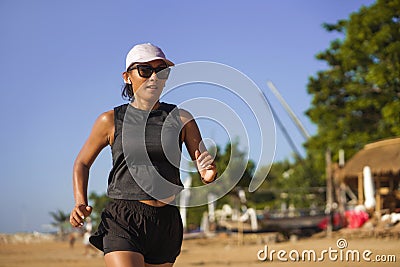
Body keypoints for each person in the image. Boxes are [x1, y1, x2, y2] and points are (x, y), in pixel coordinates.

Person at [69, 43, 218, 267]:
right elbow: (82, 162)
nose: (154, 77)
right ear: (127, 76)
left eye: (161, 71)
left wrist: (208, 173)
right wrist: (80, 201)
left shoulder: (181, 118)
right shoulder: (109, 120)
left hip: (166, 221)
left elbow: (204, 165)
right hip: (124, 219)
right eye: (145, 70)